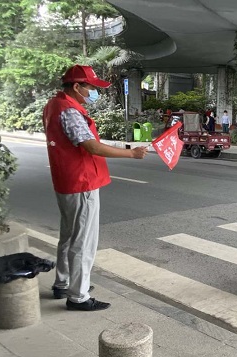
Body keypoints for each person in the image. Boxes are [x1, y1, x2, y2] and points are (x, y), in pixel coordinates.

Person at [43, 65, 148, 311]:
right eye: (90, 87)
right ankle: (78, 296)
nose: (93, 92)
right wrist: (131, 154)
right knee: (83, 240)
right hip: (82, 182)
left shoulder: (54, 105)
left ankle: (63, 283)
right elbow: (91, 146)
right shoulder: (69, 111)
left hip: (68, 181)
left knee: (69, 236)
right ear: (76, 86)